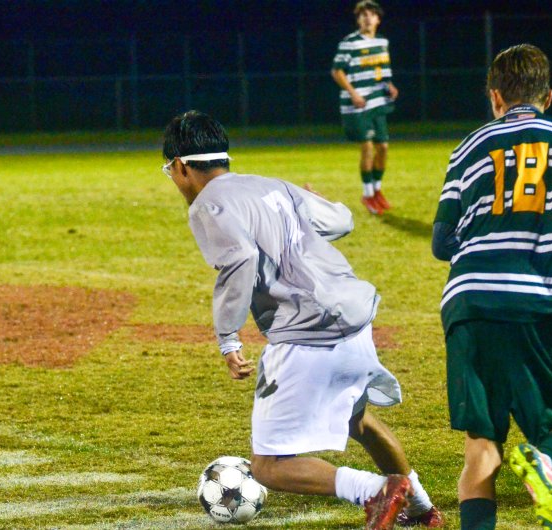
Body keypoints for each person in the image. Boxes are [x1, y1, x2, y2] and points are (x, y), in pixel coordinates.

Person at [163, 110, 444, 529]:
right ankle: (421, 509)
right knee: (358, 421)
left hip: (307, 331)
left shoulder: (207, 204)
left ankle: (375, 490)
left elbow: (241, 258)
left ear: (181, 165)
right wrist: (316, 205)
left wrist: (228, 337)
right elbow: (341, 220)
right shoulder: (272, 185)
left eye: (169, 171)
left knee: (269, 467)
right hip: (354, 317)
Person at [431, 44, 552, 530]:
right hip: (538, 301)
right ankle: (544, 460)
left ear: (495, 97)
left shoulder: (467, 147)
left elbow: (442, 243)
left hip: (469, 300)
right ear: (548, 97)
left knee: (481, 444)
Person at [331, 0, 399, 215]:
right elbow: (337, 71)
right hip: (357, 106)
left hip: (378, 103)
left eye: (371, 15)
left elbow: (382, 70)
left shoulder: (382, 42)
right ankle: (367, 195)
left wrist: (389, 85)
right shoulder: (349, 43)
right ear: (358, 20)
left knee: (383, 148)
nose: (367, 18)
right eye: (363, 15)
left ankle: (377, 191)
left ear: (378, 19)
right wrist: (353, 93)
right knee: (368, 147)